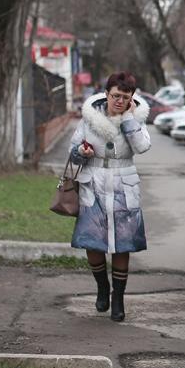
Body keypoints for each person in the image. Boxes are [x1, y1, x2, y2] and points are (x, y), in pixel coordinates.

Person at [68, 71, 151, 322]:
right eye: (115, 95)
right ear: (106, 93)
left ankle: (118, 299)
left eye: (125, 97)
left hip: (124, 184)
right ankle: (102, 288)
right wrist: (81, 152)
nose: (119, 100)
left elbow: (142, 146)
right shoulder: (90, 118)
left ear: (131, 99)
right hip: (93, 183)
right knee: (92, 242)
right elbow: (72, 153)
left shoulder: (135, 118)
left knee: (122, 245)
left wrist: (128, 119)